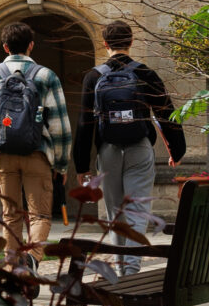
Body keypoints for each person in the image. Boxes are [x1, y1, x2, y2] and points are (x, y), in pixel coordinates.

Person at [74, 18, 186, 278]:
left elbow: (84, 123)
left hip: (108, 150)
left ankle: (122, 269)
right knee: (137, 211)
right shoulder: (145, 73)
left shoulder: (93, 77)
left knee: (115, 213)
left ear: (105, 44)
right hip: (139, 148)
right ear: (131, 42)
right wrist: (176, 151)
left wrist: (82, 164)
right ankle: (132, 272)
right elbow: (167, 113)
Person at [0, 20, 73, 271]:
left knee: (10, 214)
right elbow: (60, 126)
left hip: (4, 154)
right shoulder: (46, 76)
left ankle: (11, 268)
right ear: (31, 45)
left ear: (5, 47)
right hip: (38, 154)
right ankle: (32, 257)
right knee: (39, 214)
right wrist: (61, 165)